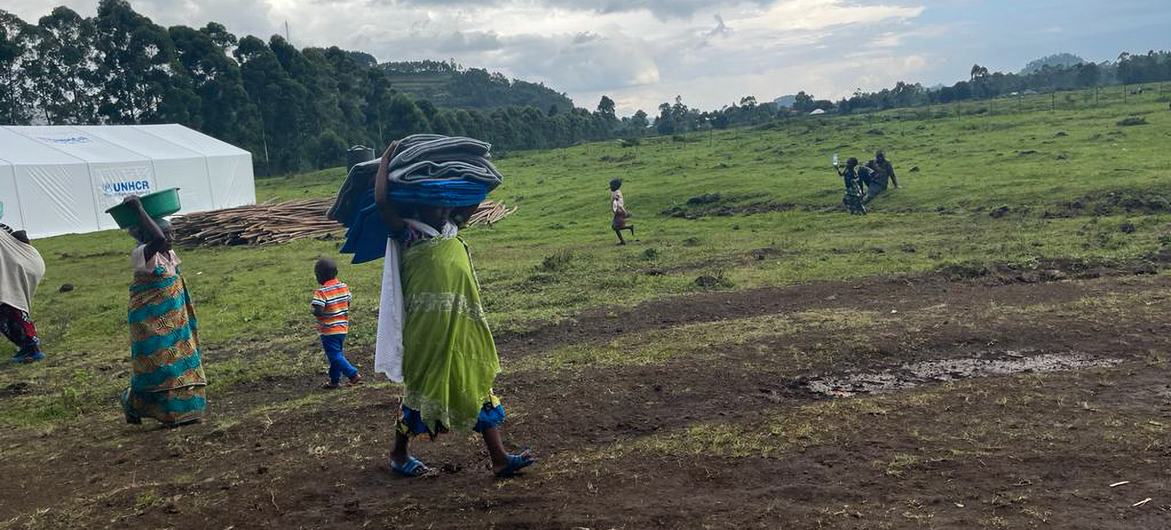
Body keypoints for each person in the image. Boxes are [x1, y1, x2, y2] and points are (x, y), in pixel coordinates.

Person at [372, 142, 535, 478]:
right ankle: (399, 455)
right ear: (420, 204)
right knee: (420, 391)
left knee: (475, 383)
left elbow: (476, 194)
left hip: (463, 326)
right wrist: (386, 161)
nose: (444, 209)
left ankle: (500, 458)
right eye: (437, 203)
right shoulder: (408, 232)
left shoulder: (452, 227)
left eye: (447, 203)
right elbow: (382, 202)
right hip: (426, 331)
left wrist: (474, 167)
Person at [120, 196, 207, 428]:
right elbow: (157, 238)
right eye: (166, 234)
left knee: (180, 362)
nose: (170, 238)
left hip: (176, 322)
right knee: (160, 365)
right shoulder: (142, 254)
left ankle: (186, 409)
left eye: (171, 233)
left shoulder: (168, 255)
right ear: (146, 235)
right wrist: (138, 209)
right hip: (151, 323)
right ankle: (134, 402)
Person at [312, 258, 361, 389]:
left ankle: (353, 374)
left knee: (334, 356)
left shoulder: (321, 292)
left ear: (319, 276)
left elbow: (318, 311)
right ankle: (334, 381)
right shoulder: (344, 287)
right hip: (342, 328)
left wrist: (315, 312)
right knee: (336, 355)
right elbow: (348, 302)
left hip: (329, 330)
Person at [0, 222, 46, 363]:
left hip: (12, 267)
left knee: (8, 307)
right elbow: (19, 236)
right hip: (20, 264)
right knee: (10, 305)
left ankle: (31, 348)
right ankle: (30, 346)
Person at [610, 178, 635, 245]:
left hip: (619, 211)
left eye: (611, 185)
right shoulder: (616, 192)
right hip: (618, 211)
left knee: (615, 227)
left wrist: (624, 212)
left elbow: (618, 203)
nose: (610, 187)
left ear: (615, 186)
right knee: (615, 227)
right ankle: (629, 228)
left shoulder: (617, 193)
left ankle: (623, 241)